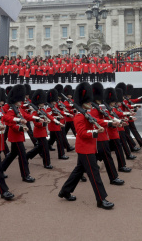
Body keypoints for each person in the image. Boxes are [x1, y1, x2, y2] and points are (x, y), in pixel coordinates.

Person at [59, 82, 115, 210]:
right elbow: (82, 133)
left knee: (79, 171)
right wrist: (96, 132)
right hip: (85, 149)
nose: (91, 103)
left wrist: (111, 123)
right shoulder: (79, 116)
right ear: (83, 102)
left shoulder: (86, 113)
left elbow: (97, 121)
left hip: (88, 147)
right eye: (89, 102)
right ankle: (101, 199)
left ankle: (65, 191)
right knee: (95, 174)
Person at [1, 84, 38, 182]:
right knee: (22, 156)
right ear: (15, 100)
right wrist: (20, 128)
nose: (21, 102)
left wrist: (36, 118)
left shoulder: (18, 108)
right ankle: (25, 175)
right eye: (19, 100)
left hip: (19, 136)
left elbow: (25, 115)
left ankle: (0, 169)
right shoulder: (11, 109)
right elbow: (10, 124)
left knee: (13, 154)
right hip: (15, 136)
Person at [26, 89, 58, 169]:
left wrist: (55, 120)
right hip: (39, 132)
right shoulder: (35, 111)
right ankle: (47, 163)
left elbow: (48, 116)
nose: (43, 103)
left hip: (43, 132)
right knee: (45, 148)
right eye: (42, 102)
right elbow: (36, 122)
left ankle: (26, 156)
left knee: (40, 147)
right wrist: (44, 123)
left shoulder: (42, 110)